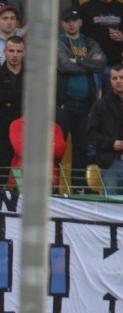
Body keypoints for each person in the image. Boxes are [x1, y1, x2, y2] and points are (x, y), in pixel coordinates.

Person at [57, 5, 108, 193]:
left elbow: (101, 63)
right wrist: (88, 63)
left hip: (86, 104)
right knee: (58, 147)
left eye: (74, 20)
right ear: (62, 23)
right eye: (67, 21)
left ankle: (78, 186)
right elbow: (63, 66)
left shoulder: (89, 41)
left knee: (81, 147)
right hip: (63, 103)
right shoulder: (59, 42)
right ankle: (53, 186)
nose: (71, 24)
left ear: (80, 22)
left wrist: (77, 61)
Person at [0, 35, 25, 170]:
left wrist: (8, 100)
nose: (15, 55)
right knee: (1, 165)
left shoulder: (30, 76)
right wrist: (19, 97)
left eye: (19, 51)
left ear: (24, 53)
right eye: (11, 50)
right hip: (2, 128)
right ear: (5, 52)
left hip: (24, 128)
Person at [87, 63, 123, 195]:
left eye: (121, 77)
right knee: (110, 207)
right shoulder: (101, 105)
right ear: (110, 80)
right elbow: (91, 134)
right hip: (111, 163)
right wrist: (111, 143)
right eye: (115, 78)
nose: (118, 81)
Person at [8, 115, 68, 191]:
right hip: (20, 177)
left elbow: (60, 150)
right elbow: (21, 150)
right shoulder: (16, 124)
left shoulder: (55, 127)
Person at [79, 0, 123, 97]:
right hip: (93, 65)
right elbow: (77, 36)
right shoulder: (85, 8)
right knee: (92, 102)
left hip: (115, 66)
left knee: (113, 104)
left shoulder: (120, 7)